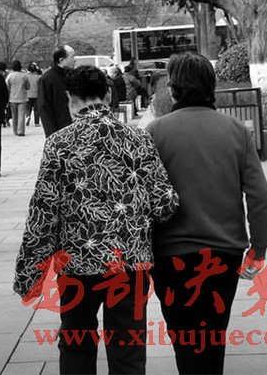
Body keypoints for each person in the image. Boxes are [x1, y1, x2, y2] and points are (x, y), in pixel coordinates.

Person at [14, 65, 179, 375]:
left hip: (76, 265)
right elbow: (165, 203)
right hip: (129, 264)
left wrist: (29, 273)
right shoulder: (138, 139)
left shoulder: (59, 143)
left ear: (70, 98)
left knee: (76, 343)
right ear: (108, 95)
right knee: (128, 350)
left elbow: (44, 211)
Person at [145, 53, 267, 375]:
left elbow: (142, 197)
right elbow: (259, 196)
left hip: (170, 254)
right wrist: (258, 249)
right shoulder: (236, 130)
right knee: (214, 333)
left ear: (174, 89)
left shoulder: (155, 132)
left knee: (183, 335)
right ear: (211, 87)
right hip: (223, 252)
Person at [37, 45, 75, 137]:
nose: (74, 60)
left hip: (74, 127)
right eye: (72, 57)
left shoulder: (72, 76)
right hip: (58, 129)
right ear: (61, 60)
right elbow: (44, 107)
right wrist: (51, 135)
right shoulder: (47, 79)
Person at [6, 60, 30, 136]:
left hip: (12, 98)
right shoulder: (24, 76)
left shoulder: (10, 76)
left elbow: (7, 86)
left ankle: (15, 130)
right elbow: (28, 86)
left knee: (14, 115)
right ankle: (20, 131)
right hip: (22, 97)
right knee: (21, 115)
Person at [25, 62, 41, 127]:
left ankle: (28, 116)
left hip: (27, 95)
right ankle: (36, 122)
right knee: (36, 109)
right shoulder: (38, 77)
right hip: (36, 95)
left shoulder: (26, 76)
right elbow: (40, 86)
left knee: (28, 108)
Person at [0, 61, 12, 128]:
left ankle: (3, 121)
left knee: (0, 108)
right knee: (8, 107)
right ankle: (7, 118)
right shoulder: (8, 74)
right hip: (7, 92)